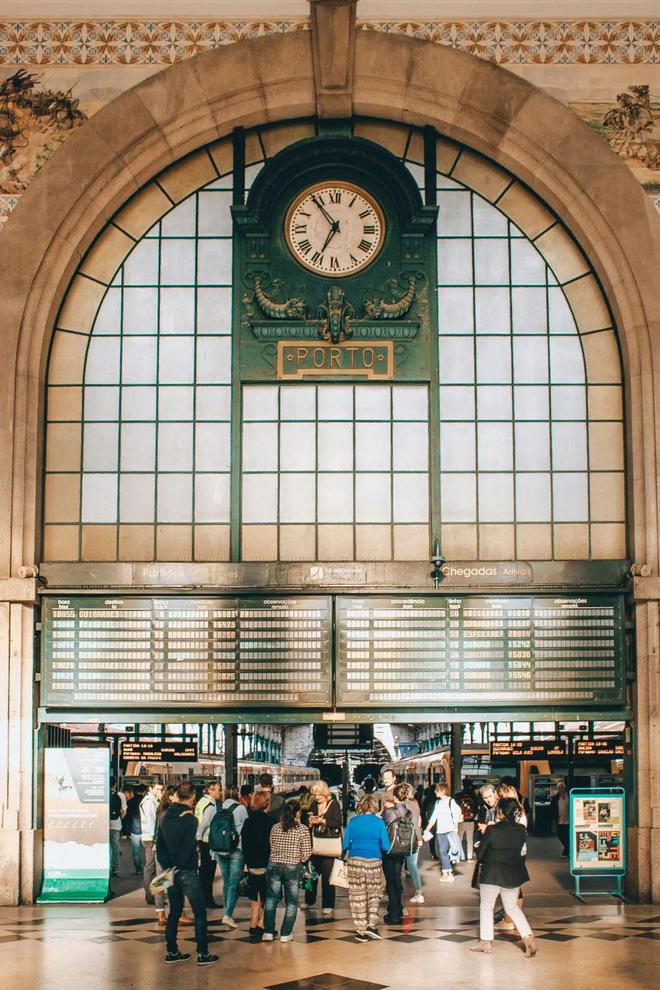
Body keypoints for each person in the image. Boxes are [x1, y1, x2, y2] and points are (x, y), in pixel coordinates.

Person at [156, 780, 219, 966]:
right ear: (192, 797)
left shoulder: (164, 817)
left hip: (170, 872)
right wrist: (180, 866)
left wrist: (169, 868)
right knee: (200, 912)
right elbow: (187, 848)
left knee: (174, 911)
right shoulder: (190, 819)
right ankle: (203, 953)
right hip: (187, 871)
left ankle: (172, 951)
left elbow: (160, 848)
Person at [470, 797, 536, 958]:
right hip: (512, 875)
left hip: (491, 874)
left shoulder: (493, 830)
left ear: (500, 812)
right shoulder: (521, 830)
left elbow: (480, 854)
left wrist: (477, 846)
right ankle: (528, 938)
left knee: (486, 907)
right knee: (512, 908)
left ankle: (485, 943)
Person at [262, 799, 312, 942]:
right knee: (291, 901)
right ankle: (285, 933)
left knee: (271, 899)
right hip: (292, 867)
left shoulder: (275, 827)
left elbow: (271, 845)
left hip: (274, 865)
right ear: (297, 813)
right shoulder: (302, 829)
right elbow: (307, 852)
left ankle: (268, 932)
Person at [343, 793, 390, 942]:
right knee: (374, 894)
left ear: (360, 805)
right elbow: (386, 846)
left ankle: (361, 931)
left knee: (357, 896)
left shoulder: (353, 821)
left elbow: (345, 845)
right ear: (375, 806)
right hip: (374, 862)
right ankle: (372, 925)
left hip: (355, 861)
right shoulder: (379, 822)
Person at [304, 780, 342, 915]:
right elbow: (307, 820)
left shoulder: (334, 804)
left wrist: (322, 821)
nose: (316, 797)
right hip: (315, 845)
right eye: (314, 795)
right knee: (311, 875)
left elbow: (338, 823)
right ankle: (309, 900)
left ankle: (328, 904)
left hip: (329, 847)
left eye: (319, 795)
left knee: (327, 877)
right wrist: (310, 822)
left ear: (325, 793)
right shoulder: (313, 804)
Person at [213, 784, 248, 929]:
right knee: (234, 884)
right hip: (236, 850)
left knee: (227, 882)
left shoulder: (218, 807)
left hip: (219, 849)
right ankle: (228, 916)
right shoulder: (240, 808)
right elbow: (246, 829)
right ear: (237, 794)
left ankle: (227, 912)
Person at [241, 789, 274, 937]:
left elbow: (245, 845)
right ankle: (262, 923)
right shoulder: (271, 822)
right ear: (266, 804)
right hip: (267, 864)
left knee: (254, 896)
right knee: (269, 896)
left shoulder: (248, 822)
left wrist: (247, 863)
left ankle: (252, 924)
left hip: (252, 864)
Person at [381, 790, 411, 923]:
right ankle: (397, 907)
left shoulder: (388, 812)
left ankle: (393, 913)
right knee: (397, 877)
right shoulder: (406, 811)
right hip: (402, 847)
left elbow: (383, 828)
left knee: (391, 881)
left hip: (389, 849)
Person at [423, 782, 463, 882]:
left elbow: (456, 814)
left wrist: (456, 828)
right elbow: (433, 818)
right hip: (440, 831)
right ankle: (447, 873)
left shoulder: (451, 801)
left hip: (450, 830)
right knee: (442, 852)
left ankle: (448, 872)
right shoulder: (437, 803)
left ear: (443, 791)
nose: (435, 792)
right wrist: (427, 829)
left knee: (451, 851)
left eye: (437, 790)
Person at [195, 780, 222, 907]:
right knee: (208, 874)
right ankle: (208, 900)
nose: (220, 792)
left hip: (202, 842)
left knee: (203, 873)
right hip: (207, 842)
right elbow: (204, 824)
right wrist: (199, 838)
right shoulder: (211, 806)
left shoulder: (201, 802)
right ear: (210, 790)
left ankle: (203, 899)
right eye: (218, 789)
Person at [140, 780, 164, 918]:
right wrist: (155, 840)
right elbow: (151, 822)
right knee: (152, 867)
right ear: (151, 788)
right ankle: (151, 896)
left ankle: (153, 896)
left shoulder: (152, 800)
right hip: (150, 839)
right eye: (158, 789)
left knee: (151, 867)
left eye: (161, 789)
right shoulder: (149, 802)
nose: (160, 792)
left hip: (149, 838)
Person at [396, 782, 424, 904]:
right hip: (413, 837)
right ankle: (418, 892)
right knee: (412, 865)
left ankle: (395, 891)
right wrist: (420, 838)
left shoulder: (399, 806)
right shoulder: (414, 804)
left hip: (401, 838)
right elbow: (416, 824)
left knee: (397, 865)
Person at [454, 778, 478, 861]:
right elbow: (476, 807)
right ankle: (469, 856)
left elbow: (455, 808)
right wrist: (473, 814)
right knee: (470, 839)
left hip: (461, 820)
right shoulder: (474, 796)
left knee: (459, 838)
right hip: (470, 820)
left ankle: (457, 856)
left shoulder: (457, 796)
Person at [109, 777, 125, 878]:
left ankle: (107, 868)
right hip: (116, 824)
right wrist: (119, 819)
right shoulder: (120, 795)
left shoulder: (103, 795)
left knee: (106, 847)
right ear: (115, 785)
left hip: (104, 825)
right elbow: (124, 811)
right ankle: (116, 868)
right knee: (115, 847)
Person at [126, 785, 144, 874]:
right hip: (145, 829)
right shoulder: (145, 801)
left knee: (136, 850)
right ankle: (150, 868)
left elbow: (127, 816)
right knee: (149, 851)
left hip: (134, 829)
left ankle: (139, 869)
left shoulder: (130, 802)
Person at [550, 781, 569, 856]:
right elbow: (552, 809)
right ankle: (568, 848)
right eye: (558, 788)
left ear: (564, 788)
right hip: (559, 820)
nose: (560, 790)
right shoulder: (555, 798)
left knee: (567, 836)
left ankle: (566, 851)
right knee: (561, 837)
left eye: (561, 788)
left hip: (568, 820)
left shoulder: (569, 796)